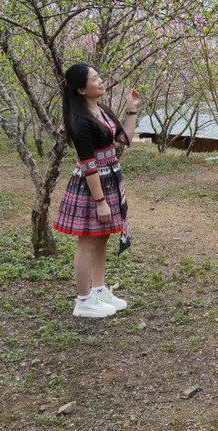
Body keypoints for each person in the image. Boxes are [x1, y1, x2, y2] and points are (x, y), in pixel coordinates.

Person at [55, 63, 139, 318]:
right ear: (81, 90)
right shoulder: (80, 121)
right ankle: (83, 300)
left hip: (110, 177)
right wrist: (100, 201)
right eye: (95, 79)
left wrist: (131, 109)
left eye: (99, 76)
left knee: (101, 238)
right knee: (87, 241)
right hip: (93, 185)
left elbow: (124, 139)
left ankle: (100, 290)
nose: (101, 81)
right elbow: (88, 164)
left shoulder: (100, 110)